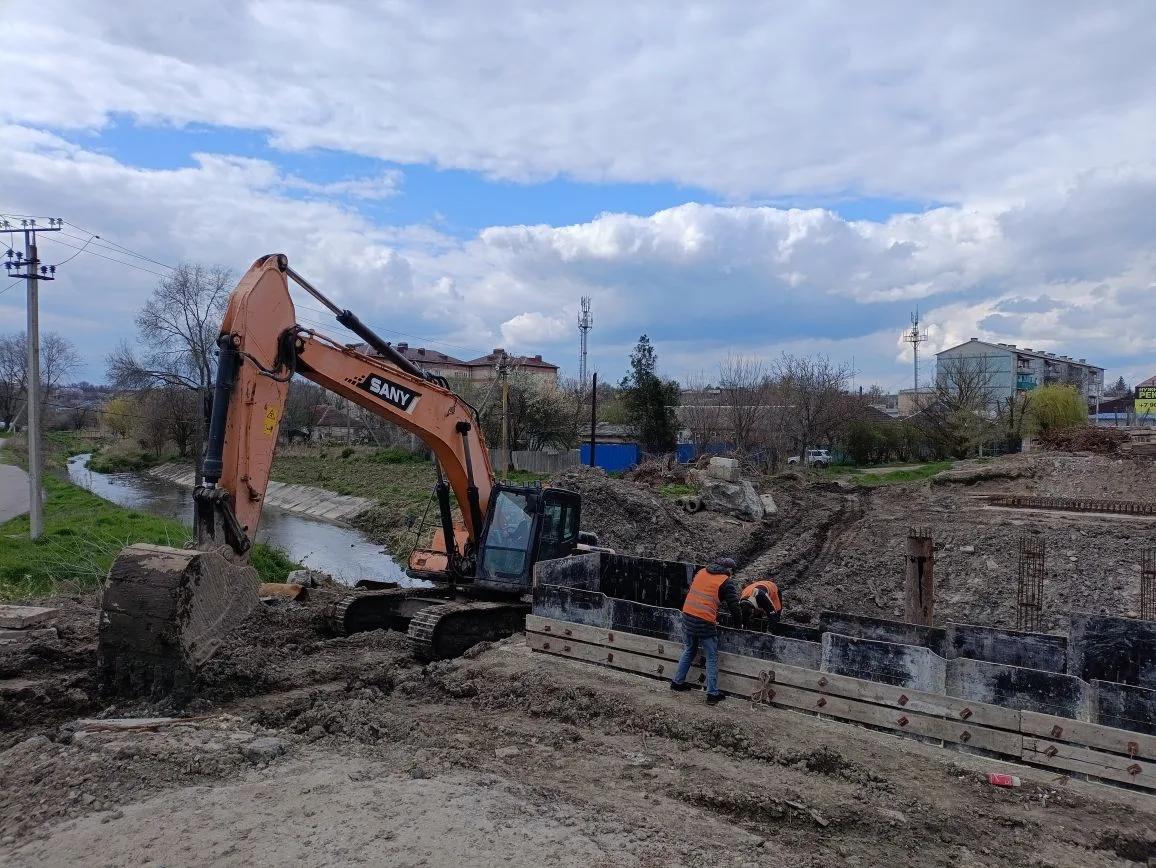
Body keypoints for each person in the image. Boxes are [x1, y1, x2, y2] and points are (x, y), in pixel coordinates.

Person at [670, 556, 742, 705]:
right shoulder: (725, 582)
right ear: (728, 570)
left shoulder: (701, 572)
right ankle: (712, 693)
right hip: (704, 622)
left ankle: (677, 682)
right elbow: (734, 607)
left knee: (689, 649)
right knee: (711, 656)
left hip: (688, 615)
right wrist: (739, 625)